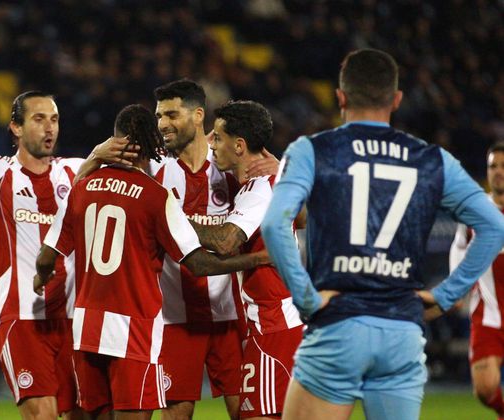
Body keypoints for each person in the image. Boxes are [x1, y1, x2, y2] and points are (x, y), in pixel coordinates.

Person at [261, 48, 504, 420]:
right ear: (396, 100)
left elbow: (274, 224)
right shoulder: (432, 159)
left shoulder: (312, 151)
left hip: (338, 326)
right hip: (401, 333)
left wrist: (305, 298)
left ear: (340, 97)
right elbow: (494, 226)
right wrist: (445, 295)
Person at [34, 104, 270, 420]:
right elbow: (200, 265)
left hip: (86, 328)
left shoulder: (81, 188)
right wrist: (257, 258)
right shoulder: (155, 196)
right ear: (150, 146)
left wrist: (40, 277)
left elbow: (45, 258)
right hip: (133, 330)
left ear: (115, 142)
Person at [0, 90, 137, 420]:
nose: (49, 128)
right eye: (39, 119)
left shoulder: (75, 170)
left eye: (54, 120)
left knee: (88, 415)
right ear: (16, 128)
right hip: (22, 319)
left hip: (75, 319)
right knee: (42, 413)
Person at [191, 99, 304, 419]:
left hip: (273, 325)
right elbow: (303, 218)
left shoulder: (259, 190)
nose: (211, 144)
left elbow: (225, 241)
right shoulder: (267, 183)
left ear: (239, 145)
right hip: (273, 323)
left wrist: (170, 217)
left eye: (217, 137)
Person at [151, 79, 247, 419]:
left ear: (197, 115)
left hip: (230, 316)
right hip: (174, 318)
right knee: (177, 413)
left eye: (171, 114)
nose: (163, 124)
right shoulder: (153, 171)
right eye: (159, 116)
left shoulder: (231, 168)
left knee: (247, 411)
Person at [449, 142, 504, 418]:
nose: (498, 172)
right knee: (484, 388)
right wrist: (454, 290)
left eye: (503, 166)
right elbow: (459, 247)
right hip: (488, 312)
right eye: (493, 166)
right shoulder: (475, 209)